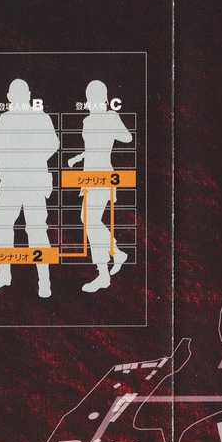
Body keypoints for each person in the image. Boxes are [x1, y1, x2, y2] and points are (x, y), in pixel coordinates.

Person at [0, 79, 61, 296]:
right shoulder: (6, 118)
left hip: (33, 181)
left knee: (36, 229)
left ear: (28, 95)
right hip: (10, 181)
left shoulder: (40, 117)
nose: (18, 98)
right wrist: (8, 158)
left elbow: (52, 144)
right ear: (9, 98)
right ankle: (4, 273)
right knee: (1, 225)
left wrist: (30, 158)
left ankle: (44, 280)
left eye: (21, 94)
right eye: (14, 94)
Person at [75, 81, 131, 293]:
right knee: (87, 220)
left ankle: (105, 271)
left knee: (89, 221)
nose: (91, 101)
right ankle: (115, 256)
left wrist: (111, 124)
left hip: (103, 176)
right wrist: (79, 158)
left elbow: (127, 137)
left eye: (94, 97)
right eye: (89, 97)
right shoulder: (87, 120)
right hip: (88, 176)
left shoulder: (110, 117)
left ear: (103, 98)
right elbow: (92, 148)